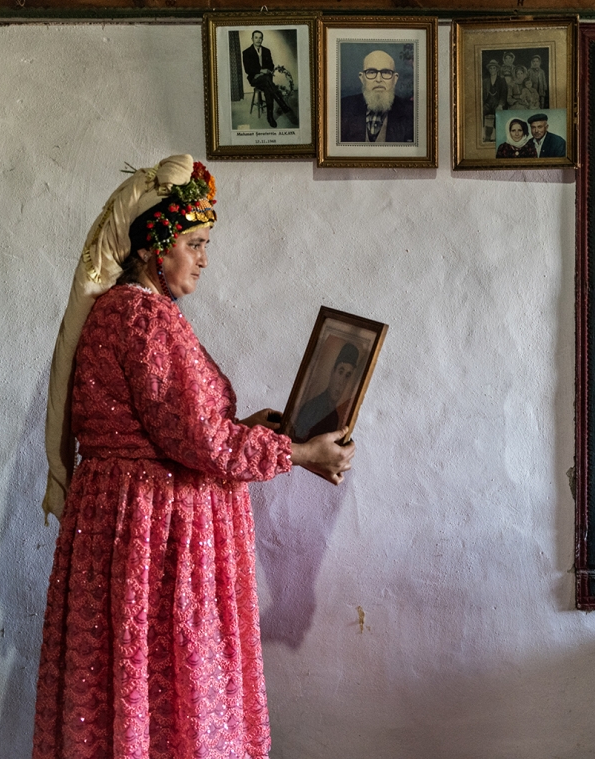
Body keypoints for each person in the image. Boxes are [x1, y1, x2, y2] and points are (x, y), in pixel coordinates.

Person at [33, 154, 354, 759]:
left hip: (128, 524)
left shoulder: (130, 311)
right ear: (155, 247)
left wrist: (247, 429)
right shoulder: (142, 318)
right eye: (196, 244)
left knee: (133, 683)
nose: (205, 259)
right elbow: (200, 441)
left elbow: (175, 428)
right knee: (168, 686)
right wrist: (299, 452)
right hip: (152, 535)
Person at [339, 49, 414, 143]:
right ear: (362, 78)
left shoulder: (411, 112)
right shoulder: (342, 108)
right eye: (371, 72)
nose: (378, 79)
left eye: (386, 72)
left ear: (394, 79)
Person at [292, 342, 359, 441]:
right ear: (333, 372)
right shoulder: (312, 407)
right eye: (340, 372)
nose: (341, 382)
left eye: (347, 375)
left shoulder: (334, 415)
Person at [241, 30, 297, 129]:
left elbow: (271, 66)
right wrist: (261, 71)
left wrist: (264, 72)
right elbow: (247, 69)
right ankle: (284, 106)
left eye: (260, 38)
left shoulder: (267, 50)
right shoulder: (246, 52)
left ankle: (270, 116)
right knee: (267, 81)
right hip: (254, 79)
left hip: (266, 80)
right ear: (252, 39)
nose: (258, 40)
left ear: (262, 39)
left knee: (267, 86)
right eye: (256, 37)